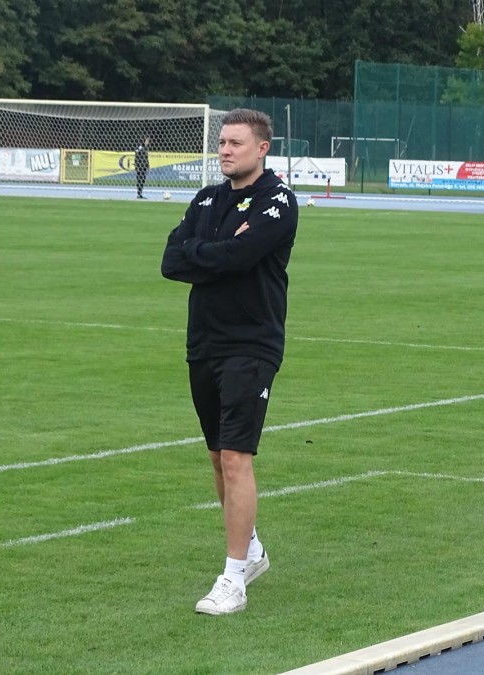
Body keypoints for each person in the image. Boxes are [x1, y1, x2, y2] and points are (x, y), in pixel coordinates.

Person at [160, 109, 298, 615]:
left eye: (235, 143)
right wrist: (217, 249)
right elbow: (170, 261)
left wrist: (203, 253)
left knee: (238, 457)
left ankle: (234, 578)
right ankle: (253, 549)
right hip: (205, 342)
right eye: (221, 142)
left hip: (252, 343)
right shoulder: (206, 199)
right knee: (218, 457)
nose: (224, 150)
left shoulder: (277, 201)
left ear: (262, 148)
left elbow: (239, 258)